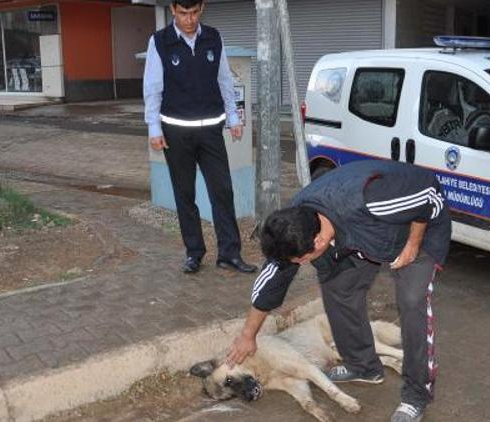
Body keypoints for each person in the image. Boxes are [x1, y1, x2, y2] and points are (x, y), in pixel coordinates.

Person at [226, 160, 452, 422]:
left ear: (319, 240)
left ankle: (416, 394)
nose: (299, 265)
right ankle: (363, 366)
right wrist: (247, 335)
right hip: (362, 236)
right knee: (337, 285)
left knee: (412, 300)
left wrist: (414, 243)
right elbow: (271, 282)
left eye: (301, 259)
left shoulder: (370, 200)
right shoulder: (295, 224)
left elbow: (428, 194)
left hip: (417, 228)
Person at [143, 0, 256, 274]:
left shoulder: (213, 38)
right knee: (185, 194)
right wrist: (154, 128)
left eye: (194, 12)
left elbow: (224, 81)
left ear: (202, 8)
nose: (189, 19)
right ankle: (194, 252)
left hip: (210, 132)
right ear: (172, 10)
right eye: (183, 13)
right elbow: (152, 87)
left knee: (223, 191)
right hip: (176, 132)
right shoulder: (160, 42)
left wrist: (233, 118)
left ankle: (229, 254)